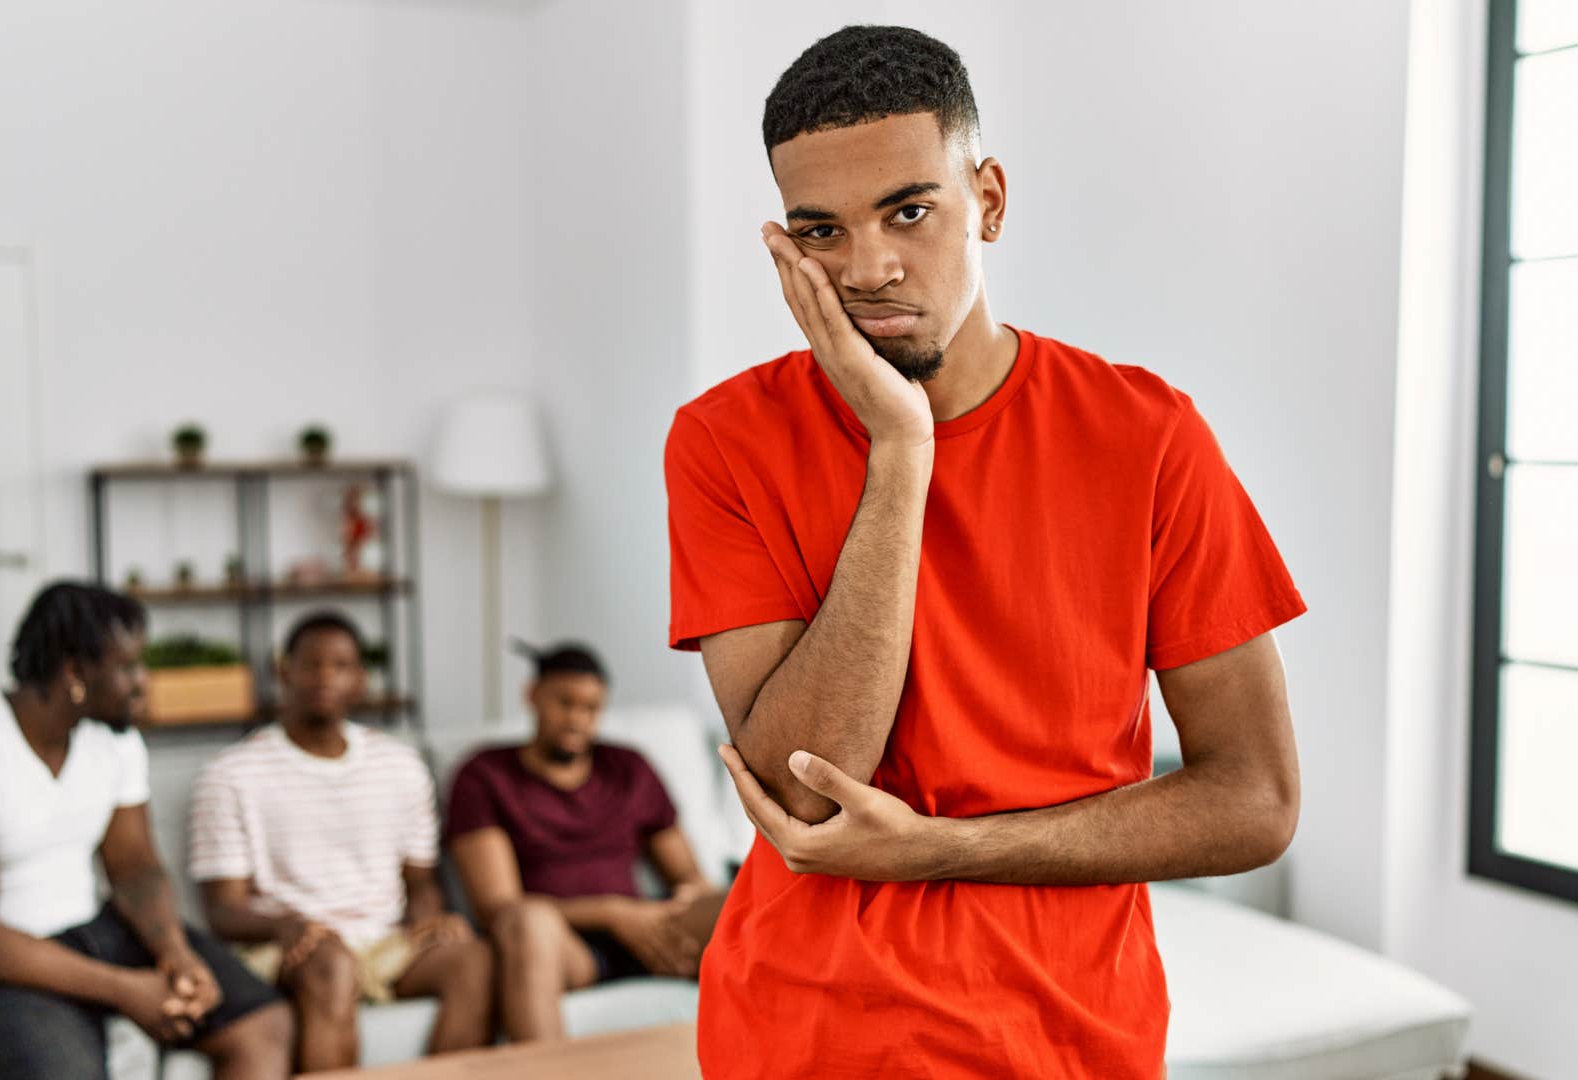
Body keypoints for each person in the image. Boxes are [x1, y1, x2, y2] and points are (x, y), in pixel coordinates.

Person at [664, 25, 1309, 1080]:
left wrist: (943, 851)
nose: (868, 268)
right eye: (820, 231)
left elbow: (1256, 799)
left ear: (991, 202)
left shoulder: (1146, 435)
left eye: (909, 211)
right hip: (804, 1037)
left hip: (1068, 1042)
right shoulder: (723, 440)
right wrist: (903, 450)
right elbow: (810, 797)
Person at [0, 582, 292, 1080]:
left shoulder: (113, 741)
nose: (143, 683)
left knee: (260, 1026)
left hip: (89, 928)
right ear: (75, 673)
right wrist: (128, 989)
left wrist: (176, 956)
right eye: (127, 668)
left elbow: (135, 868)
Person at [189, 612, 493, 1072]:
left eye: (341, 665)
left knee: (472, 959)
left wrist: (430, 919)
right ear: (283, 671)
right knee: (332, 966)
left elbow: (421, 881)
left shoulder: (400, 765)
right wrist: (283, 926)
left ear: (360, 680)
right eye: (311, 664)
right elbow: (222, 910)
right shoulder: (231, 774)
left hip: (386, 942)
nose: (325, 677)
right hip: (292, 946)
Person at [444, 641, 723, 1043]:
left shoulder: (629, 767)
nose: (577, 719)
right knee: (525, 922)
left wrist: (690, 898)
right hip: (563, 946)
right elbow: (497, 909)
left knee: (746, 903)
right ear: (533, 696)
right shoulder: (485, 775)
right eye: (565, 703)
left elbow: (688, 876)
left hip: (649, 932)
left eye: (591, 708)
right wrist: (613, 913)